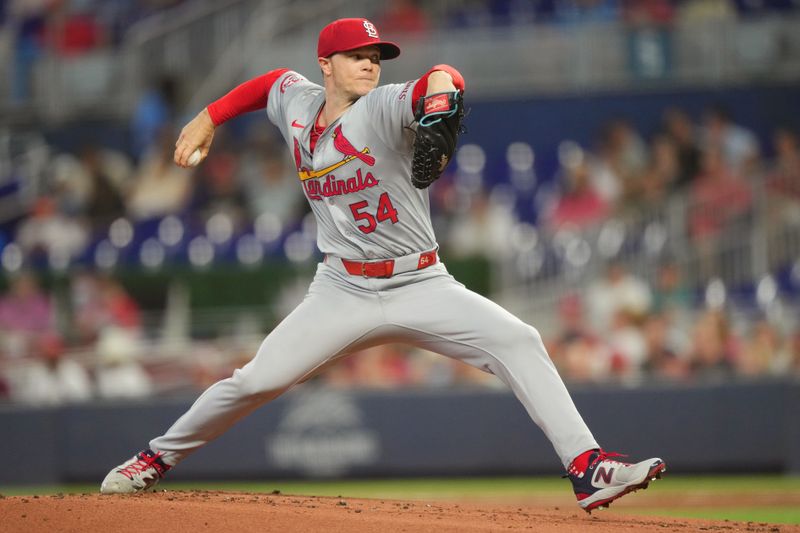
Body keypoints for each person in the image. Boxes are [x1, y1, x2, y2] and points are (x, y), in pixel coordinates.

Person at [100, 17, 664, 512]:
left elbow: (440, 78)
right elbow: (271, 82)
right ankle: (152, 460)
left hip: (421, 281)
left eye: (376, 58)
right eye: (358, 57)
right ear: (326, 64)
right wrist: (209, 116)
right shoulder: (297, 103)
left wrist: (442, 92)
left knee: (519, 339)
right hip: (340, 288)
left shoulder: (384, 107)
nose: (370, 65)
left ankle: (587, 468)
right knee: (253, 381)